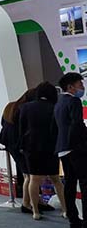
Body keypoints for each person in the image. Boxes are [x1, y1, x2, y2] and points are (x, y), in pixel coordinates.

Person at [18, 82, 67, 220]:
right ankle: (65, 209)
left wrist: (22, 146)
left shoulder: (26, 107)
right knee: (56, 180)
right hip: (51, 147)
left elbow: (22, 128)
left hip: (31, 147)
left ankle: (35, 211)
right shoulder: (55, 107)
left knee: (34, 179)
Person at [54, 72, 87, 228]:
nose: (82, 87)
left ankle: (73, 220)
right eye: (80, 84)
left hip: (63, 149)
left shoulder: (59, 103)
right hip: (76, 149)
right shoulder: (74, 101)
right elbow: (77, 124)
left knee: (70, 185)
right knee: (84, 183)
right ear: (70, 87)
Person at [0, 89, 36, 212]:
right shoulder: (25, 109)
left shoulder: (10, 106)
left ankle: (34, 201)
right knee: (29, 176)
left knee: (26, 174)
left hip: (9, 142)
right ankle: (27, 203)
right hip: (20, 144)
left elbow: (2, 123)